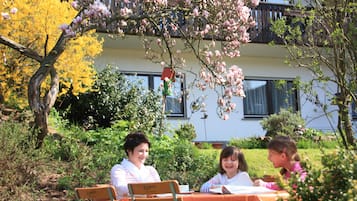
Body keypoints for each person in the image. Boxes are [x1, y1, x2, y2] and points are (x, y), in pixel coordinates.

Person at [110, 131, 160, 198]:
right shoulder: (119, 169)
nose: (144, 155)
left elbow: (161, 190)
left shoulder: (151, 170)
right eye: (140, 151)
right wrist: (146, 193)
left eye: (146, 151)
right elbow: (121, 188)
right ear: (129, 150)